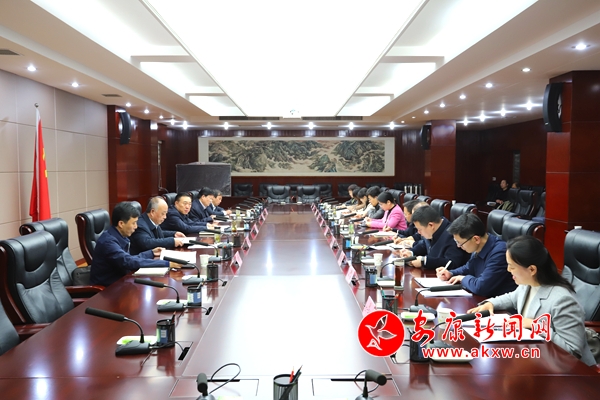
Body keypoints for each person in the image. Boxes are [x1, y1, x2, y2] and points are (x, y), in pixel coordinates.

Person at [467, 235, 595, 366]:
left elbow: (573, 351)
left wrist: (535, 325)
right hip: (539, 358)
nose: (508, 270)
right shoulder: (528, 284)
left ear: (532, 269)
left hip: (570, 371)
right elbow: (511, 297)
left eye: (512, 266)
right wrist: (491, 303)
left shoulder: (562, 300)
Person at [90, 201, 181, 286]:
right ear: (121, 224)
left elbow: (129, 259)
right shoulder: (108, 242)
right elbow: (128, 262)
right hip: (108, 290)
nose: (136, 227)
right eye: (133, 223)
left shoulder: (121, 236)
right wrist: (166, 264)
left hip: (123, 281)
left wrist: (151, 253)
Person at [436, 213, 516, 297]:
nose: (458, 246)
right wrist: (450, 273)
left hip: (499, 302)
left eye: (460, 243)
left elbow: (481, 287)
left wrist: (462, 278)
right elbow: (469, 268)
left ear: (476, 239)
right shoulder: (479, 246)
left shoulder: (499, 253)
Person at [397, 205, 469, 269]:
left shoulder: (452, 235)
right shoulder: (434, 230)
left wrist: (425, 261)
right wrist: (411, 252)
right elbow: (425, 245)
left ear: (431, 225)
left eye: (420, 229)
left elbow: (452, 263)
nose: (418, 232)